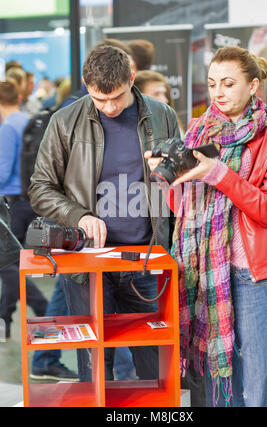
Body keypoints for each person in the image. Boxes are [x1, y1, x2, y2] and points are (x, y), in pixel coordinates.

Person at [145, 46, 267, 407]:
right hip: (206, 275)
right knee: (220, 384)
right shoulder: (197, 129)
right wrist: (166, 179)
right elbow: (183, 210)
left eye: (228, 83)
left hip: (253, 273)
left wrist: (219, 174)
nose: (218, 93)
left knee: (264, 384)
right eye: (212, 84)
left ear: (254, 85)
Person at [28, 45, 180, 382]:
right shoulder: (64, 122)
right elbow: (40, 187)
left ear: (132, 78)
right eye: (100, 100)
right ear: (86, 86)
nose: (110, 108)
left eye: (117, 97)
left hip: (145, 260)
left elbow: (179, 180)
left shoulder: (162, 115)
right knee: (96, 372)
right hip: (89, 262)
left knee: (156, 369)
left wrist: (170, 172)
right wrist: (78, 215)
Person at [0, 79, 48, 339]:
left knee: (7, 265)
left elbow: (3, 171)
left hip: (14, 204)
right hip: (31, 199)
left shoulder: (8, 127)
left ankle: (42, 307)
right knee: (10, 262)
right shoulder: (25, 119)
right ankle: (4, 319)